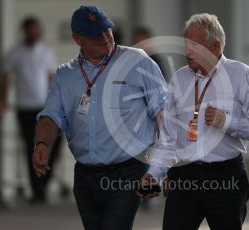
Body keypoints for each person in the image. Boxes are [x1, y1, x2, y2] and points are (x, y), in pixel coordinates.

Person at [32, 5, 166, 230]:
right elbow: (51, 116)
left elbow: (163, 112)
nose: (104, 37)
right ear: (77, 38)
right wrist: (42, 143)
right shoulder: (65, 75)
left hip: (128, 171)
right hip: (85, 177)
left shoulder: (137, 61)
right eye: (95, 34)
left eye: (106, 29)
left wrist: (161, 166)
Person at [141, 13, 249, 230]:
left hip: (225, 179)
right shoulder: (179, 79)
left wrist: (228, 122)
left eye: (195, 44)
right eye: (186, 44)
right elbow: (168, 139)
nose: (187, 51)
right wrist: (154, 173)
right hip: (183, 180)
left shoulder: (241, 76)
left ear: (215, 47)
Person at [0, 16, 63, 204]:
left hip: (45, 106)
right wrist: (3, 100)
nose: (34, 33)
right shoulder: (14, 53)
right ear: (24, 31)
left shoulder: (46, 52)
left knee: (54, 144)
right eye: (30, 30)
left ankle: (44, 182)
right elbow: (5, 77)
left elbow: (52, 77)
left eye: (36, 30)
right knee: (30, 148)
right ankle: (37, 191)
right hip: (25, 108)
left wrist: (57, 102)